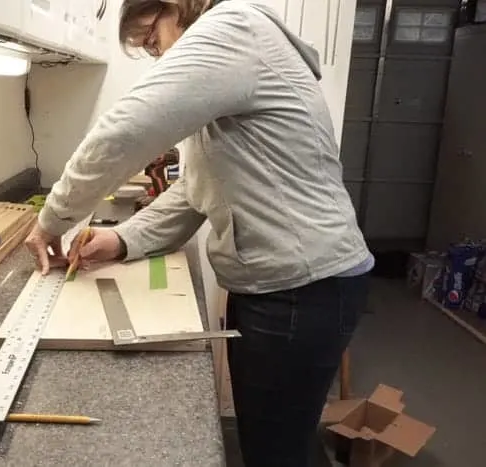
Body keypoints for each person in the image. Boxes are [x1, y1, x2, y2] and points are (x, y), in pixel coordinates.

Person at [25, 0, 374, 465]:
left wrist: (53, 218)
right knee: (281, 438)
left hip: (302, 288)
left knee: (275, 451)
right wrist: (124, 238)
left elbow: (124, 131)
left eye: (152, 39)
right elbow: (195, 190)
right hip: (296, 287)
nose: (161, 56)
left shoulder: (233, 27)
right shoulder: (238, 50)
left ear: (175, 6)